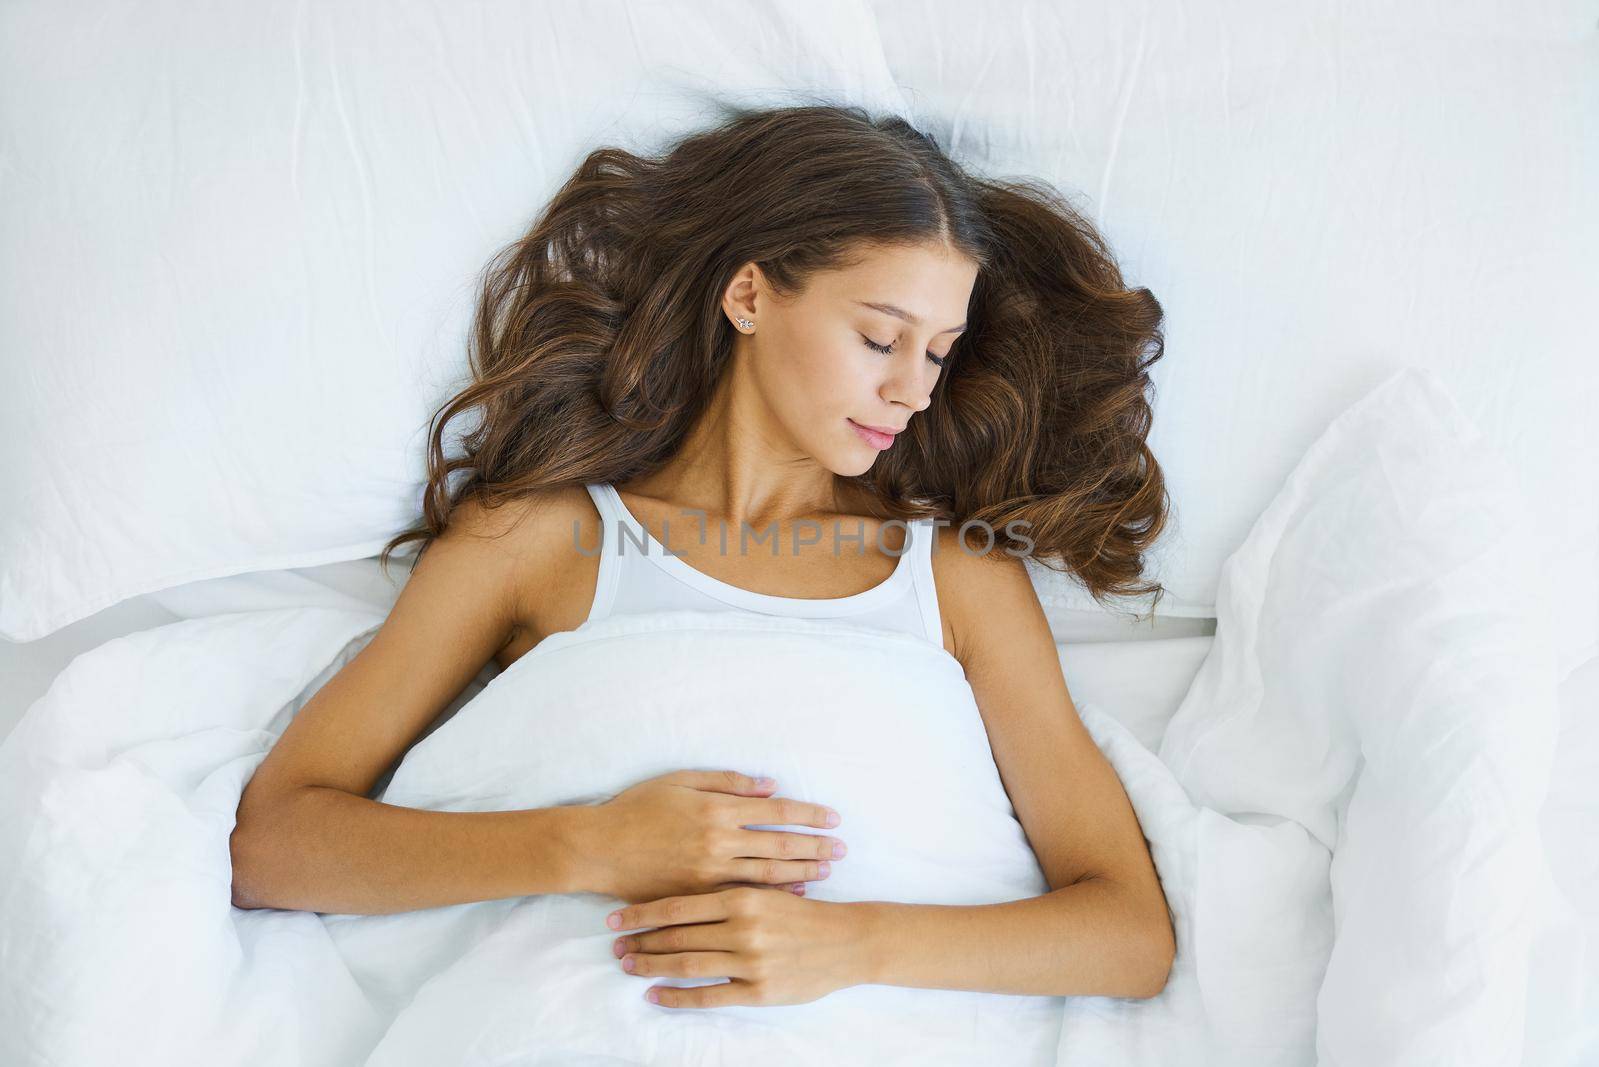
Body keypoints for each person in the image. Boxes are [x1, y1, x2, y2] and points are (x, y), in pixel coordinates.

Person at [230, 101, 1176, 1007]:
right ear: (750, 293)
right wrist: (589, 845)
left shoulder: (957, 577)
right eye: (880, 337)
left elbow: (1129, 933)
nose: (911, 391)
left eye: (937, 353)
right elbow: (272, 844)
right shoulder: (533, 538)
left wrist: (853, 944)